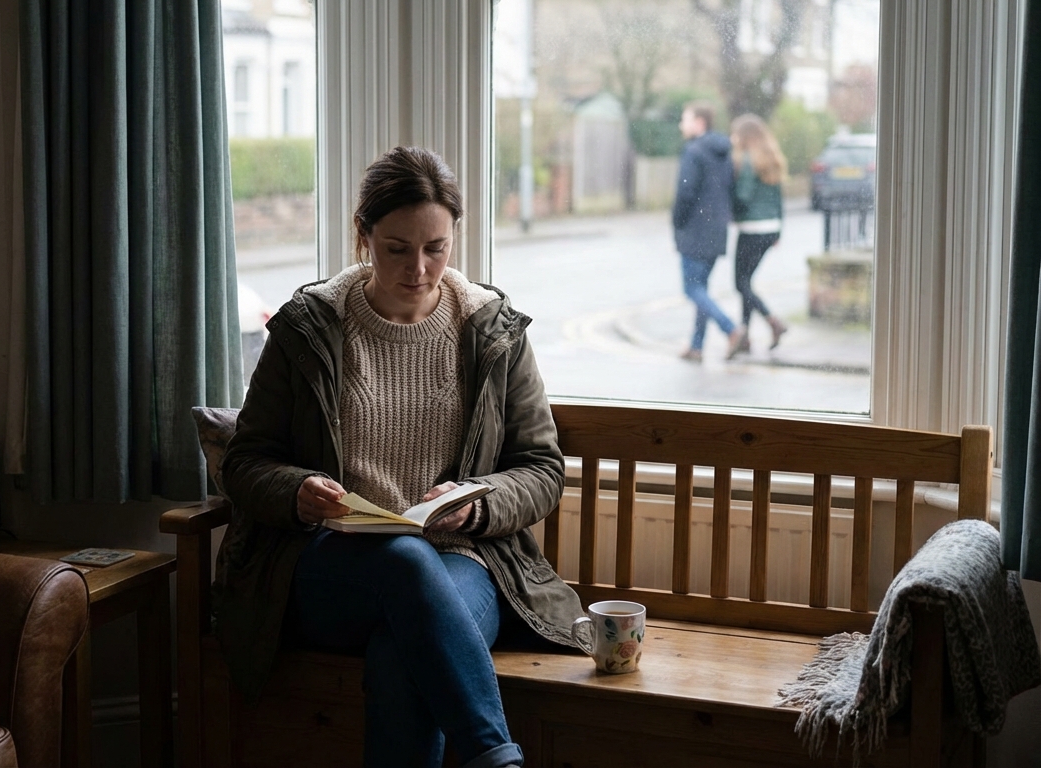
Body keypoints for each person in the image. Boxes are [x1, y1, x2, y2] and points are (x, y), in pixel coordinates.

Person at [214, 146, 587, 768]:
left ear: (454, 239)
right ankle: (496, 759)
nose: (419, 268)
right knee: (404, 561)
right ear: (363, 236)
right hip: (326, 566)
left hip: (463, 562)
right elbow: (247, 461)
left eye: (435, 248)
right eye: (397, 248)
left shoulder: (492, 332)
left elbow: (542, 469)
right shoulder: (309, 328)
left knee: (401, 653)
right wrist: (297, 489)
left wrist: (477, 504)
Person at [671, 101, 743, 362]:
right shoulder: (724, 152)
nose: (682, 124)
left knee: (692, 290)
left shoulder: (693, 151)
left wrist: (677, 224)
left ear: (699, 122)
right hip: (717, 231)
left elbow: (685, 193)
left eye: (685, 119)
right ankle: (696, 346)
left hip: (695, 231)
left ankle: (732, 330)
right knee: (701, 289)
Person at [728, 114, 789, 357]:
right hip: (770, 228)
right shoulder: (772, 158)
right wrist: (779, 230)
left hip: (751, 229)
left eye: (735, 134)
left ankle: (773, 321)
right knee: (747, 283)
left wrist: (731, 212)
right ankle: (745, 336)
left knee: (740, 283)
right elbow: (778, 199)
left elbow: (742, 196)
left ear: (744, 136)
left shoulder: (746, 159)